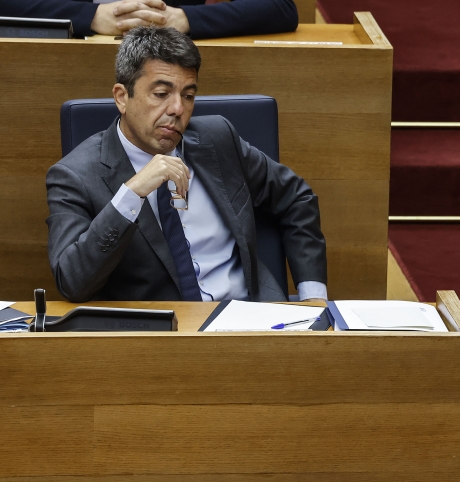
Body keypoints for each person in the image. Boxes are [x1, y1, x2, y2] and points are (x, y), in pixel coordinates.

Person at [45, 26, 326, 302]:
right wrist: (131, 194)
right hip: (162, 336)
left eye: (188, 96)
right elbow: (72, 282)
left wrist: (313, 297)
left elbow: (296, 198)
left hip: (249, 318)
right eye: (161, 94)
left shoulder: (218, 139)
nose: (178, 109)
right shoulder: (75, 175)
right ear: (122, 97)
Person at [0, 0, 297, 39]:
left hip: (171, 61)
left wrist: (186, 18)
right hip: (63, 63)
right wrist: (88, 15)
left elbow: (281, 8)